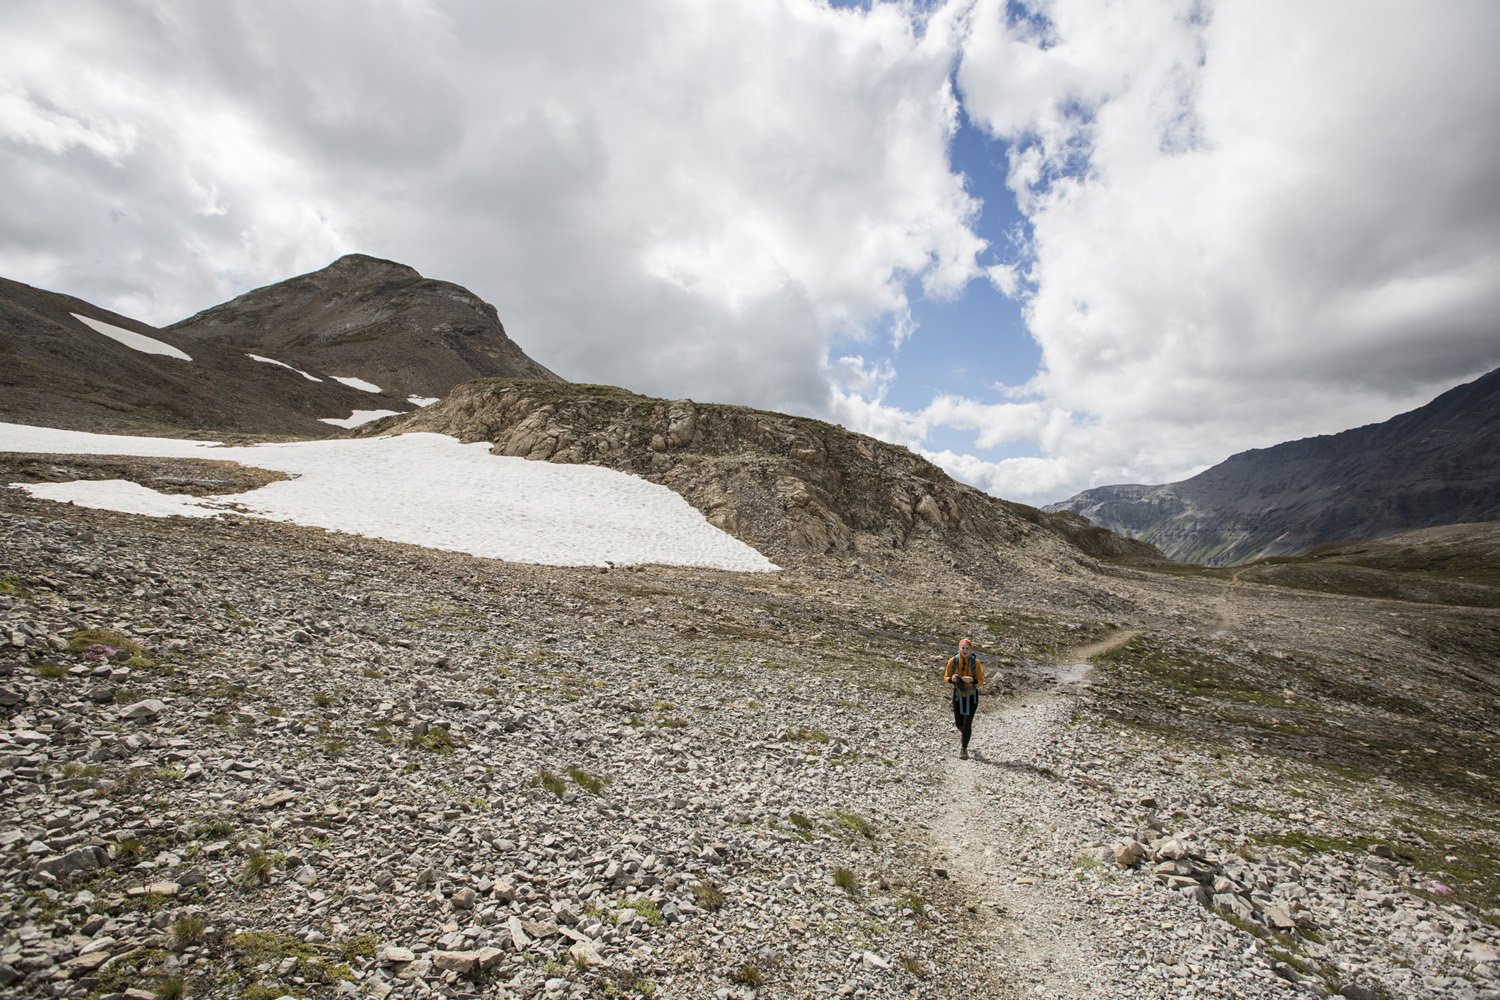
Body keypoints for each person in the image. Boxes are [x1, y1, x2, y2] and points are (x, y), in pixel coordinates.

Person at [944, 637, 984, 759]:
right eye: (963, 648)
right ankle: (966, 735)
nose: (965, 651)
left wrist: (972, 680)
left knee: (967, 723)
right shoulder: (953, 661)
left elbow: (981, 682)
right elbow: (946, 677)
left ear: (971, 650)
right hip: (958, 696)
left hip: (972, 697)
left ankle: (964, 749)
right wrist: (952, 679)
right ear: (959, 648)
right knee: (958, 723)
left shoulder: (976, 663)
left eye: (967, 648)